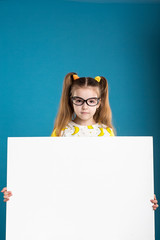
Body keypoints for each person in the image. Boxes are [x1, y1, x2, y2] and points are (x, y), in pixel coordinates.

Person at [1, 72, 159, 210]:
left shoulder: (106, 133)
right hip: (65, 199)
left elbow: (117, 171)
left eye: (91, 101)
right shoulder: (61, 131)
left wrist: (142, 197)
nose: (85, 106)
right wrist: (19, 187)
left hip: (98, 200)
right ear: (70, 100)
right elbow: (45, 167)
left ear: (99, 102)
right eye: (79, 100)